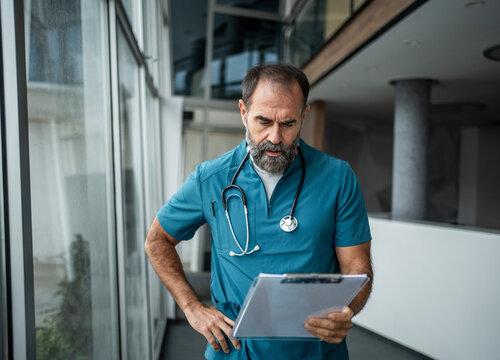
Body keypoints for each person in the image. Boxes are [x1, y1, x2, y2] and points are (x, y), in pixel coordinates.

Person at [145, 63, 372, 359]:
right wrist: (192, 308)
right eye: (263, 121)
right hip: (236, 351)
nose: (275, 137)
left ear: (303, 115)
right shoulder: (210, 179)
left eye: (288, 123)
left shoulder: (338, 178)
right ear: (243, 112)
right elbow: (157, 241)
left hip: (315, 350)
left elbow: (357, 267)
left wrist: (348, 309)